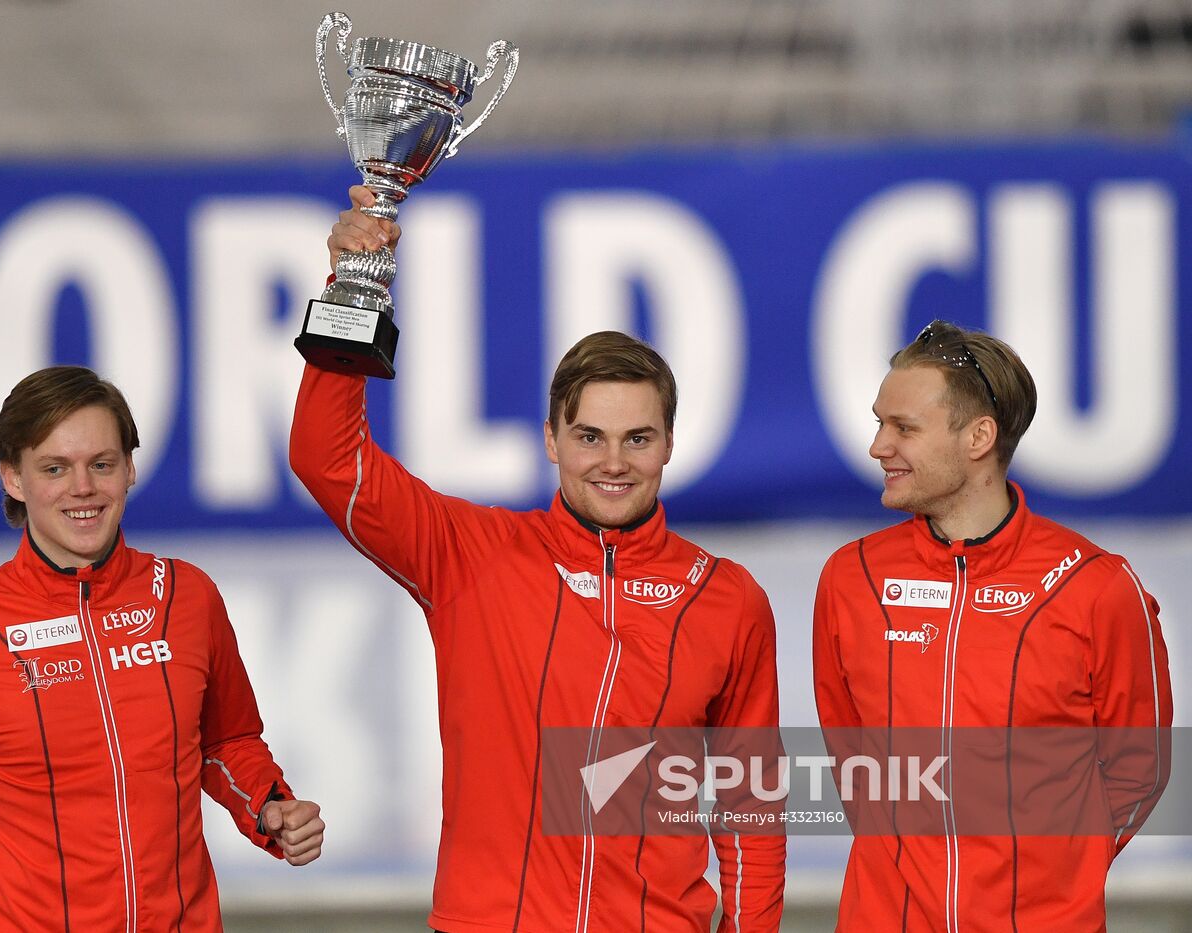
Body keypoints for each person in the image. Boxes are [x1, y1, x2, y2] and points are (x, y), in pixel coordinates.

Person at [289, 186, 785, 932]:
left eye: (638, 438)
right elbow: (327, 459)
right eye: (589, 436)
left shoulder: (727, 598)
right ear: (551, 440)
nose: (612, 461)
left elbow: (751, 808)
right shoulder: (470, 555)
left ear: (670, 445)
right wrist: (352, 291)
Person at [0, 366, 323, 930]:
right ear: (13, 478)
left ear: (130, 469)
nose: (83, 488)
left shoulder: (189, 598)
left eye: (102, 464)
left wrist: (270, 805)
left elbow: (226, 740)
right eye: (55, 468)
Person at [812, 320, 1173, 930]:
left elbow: (1142, 769)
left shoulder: (1096, 587)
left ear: (979, 437)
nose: (878, 446)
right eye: (880, 422)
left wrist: (1048, 874)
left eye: (903, 428)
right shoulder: (852, 580)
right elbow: (852, 759)